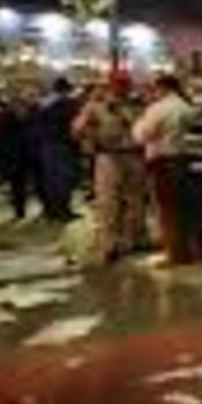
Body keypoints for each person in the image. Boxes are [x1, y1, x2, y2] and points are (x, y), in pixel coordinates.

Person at [72, 73, 147, 263]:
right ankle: (109, 243)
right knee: (108, 201)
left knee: (135, 201)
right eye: (118, 84)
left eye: (126, 84)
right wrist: (89, 131)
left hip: (133, 155)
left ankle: (132, 239)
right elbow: (77, 130)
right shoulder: (97, 106)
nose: (123, 88)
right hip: (109, 156)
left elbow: (143, 128)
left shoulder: (137, 104)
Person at [133, 74, 196, 267]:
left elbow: (141, 136)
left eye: (155, 89)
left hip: (162, 163)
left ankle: (173, 254)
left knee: (166, 211)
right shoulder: (187, 108)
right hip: (183, 161)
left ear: (163, 88)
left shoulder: (159, 109)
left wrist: (138, 122)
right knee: (184, 209)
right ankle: (187, 251)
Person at [37, 78, 81, 220]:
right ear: (65, 89)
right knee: (64, 178)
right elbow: (75, 123)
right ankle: (63, 210)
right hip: (62, 144)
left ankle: (51, 210)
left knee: (50, 178)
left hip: (45, 144)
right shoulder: (67, 103)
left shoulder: (43, 103)